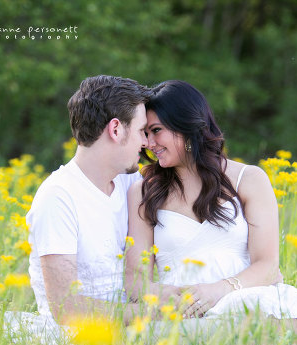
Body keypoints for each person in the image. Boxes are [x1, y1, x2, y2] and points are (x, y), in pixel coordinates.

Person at [125, 80, 297, 323]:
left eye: (156, 131)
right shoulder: (144, 192)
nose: (149, 143)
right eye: (145, 133)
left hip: (244, 295)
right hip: (185, 308)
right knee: (258, 331)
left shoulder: (248, 179)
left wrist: (219, 290)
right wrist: (175, 297)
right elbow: (135, 283)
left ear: (186, 126)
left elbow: (268, 265)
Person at [23, 75, 180, 331]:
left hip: (132, 331)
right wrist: (152, 310)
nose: (146, 143)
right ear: (116, 129)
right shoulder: (58, 196)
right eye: (142, 131)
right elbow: (67, 309)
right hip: (77, 341)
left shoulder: (129, 184)